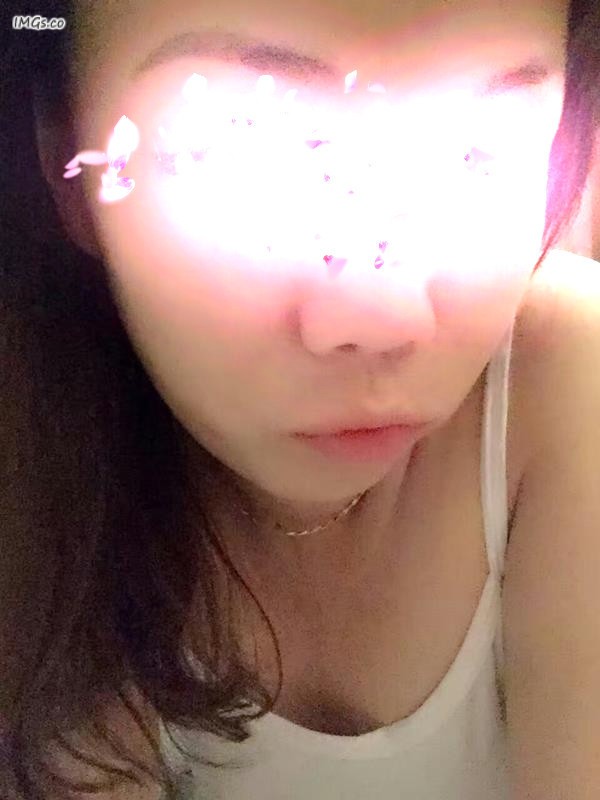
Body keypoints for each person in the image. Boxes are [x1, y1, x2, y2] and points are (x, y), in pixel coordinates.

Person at [1, 0, 599, 798]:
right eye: (241, 156)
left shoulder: (570, 383)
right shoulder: (36, 482)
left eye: (476, 154)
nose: (385, 314)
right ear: (61, 159)